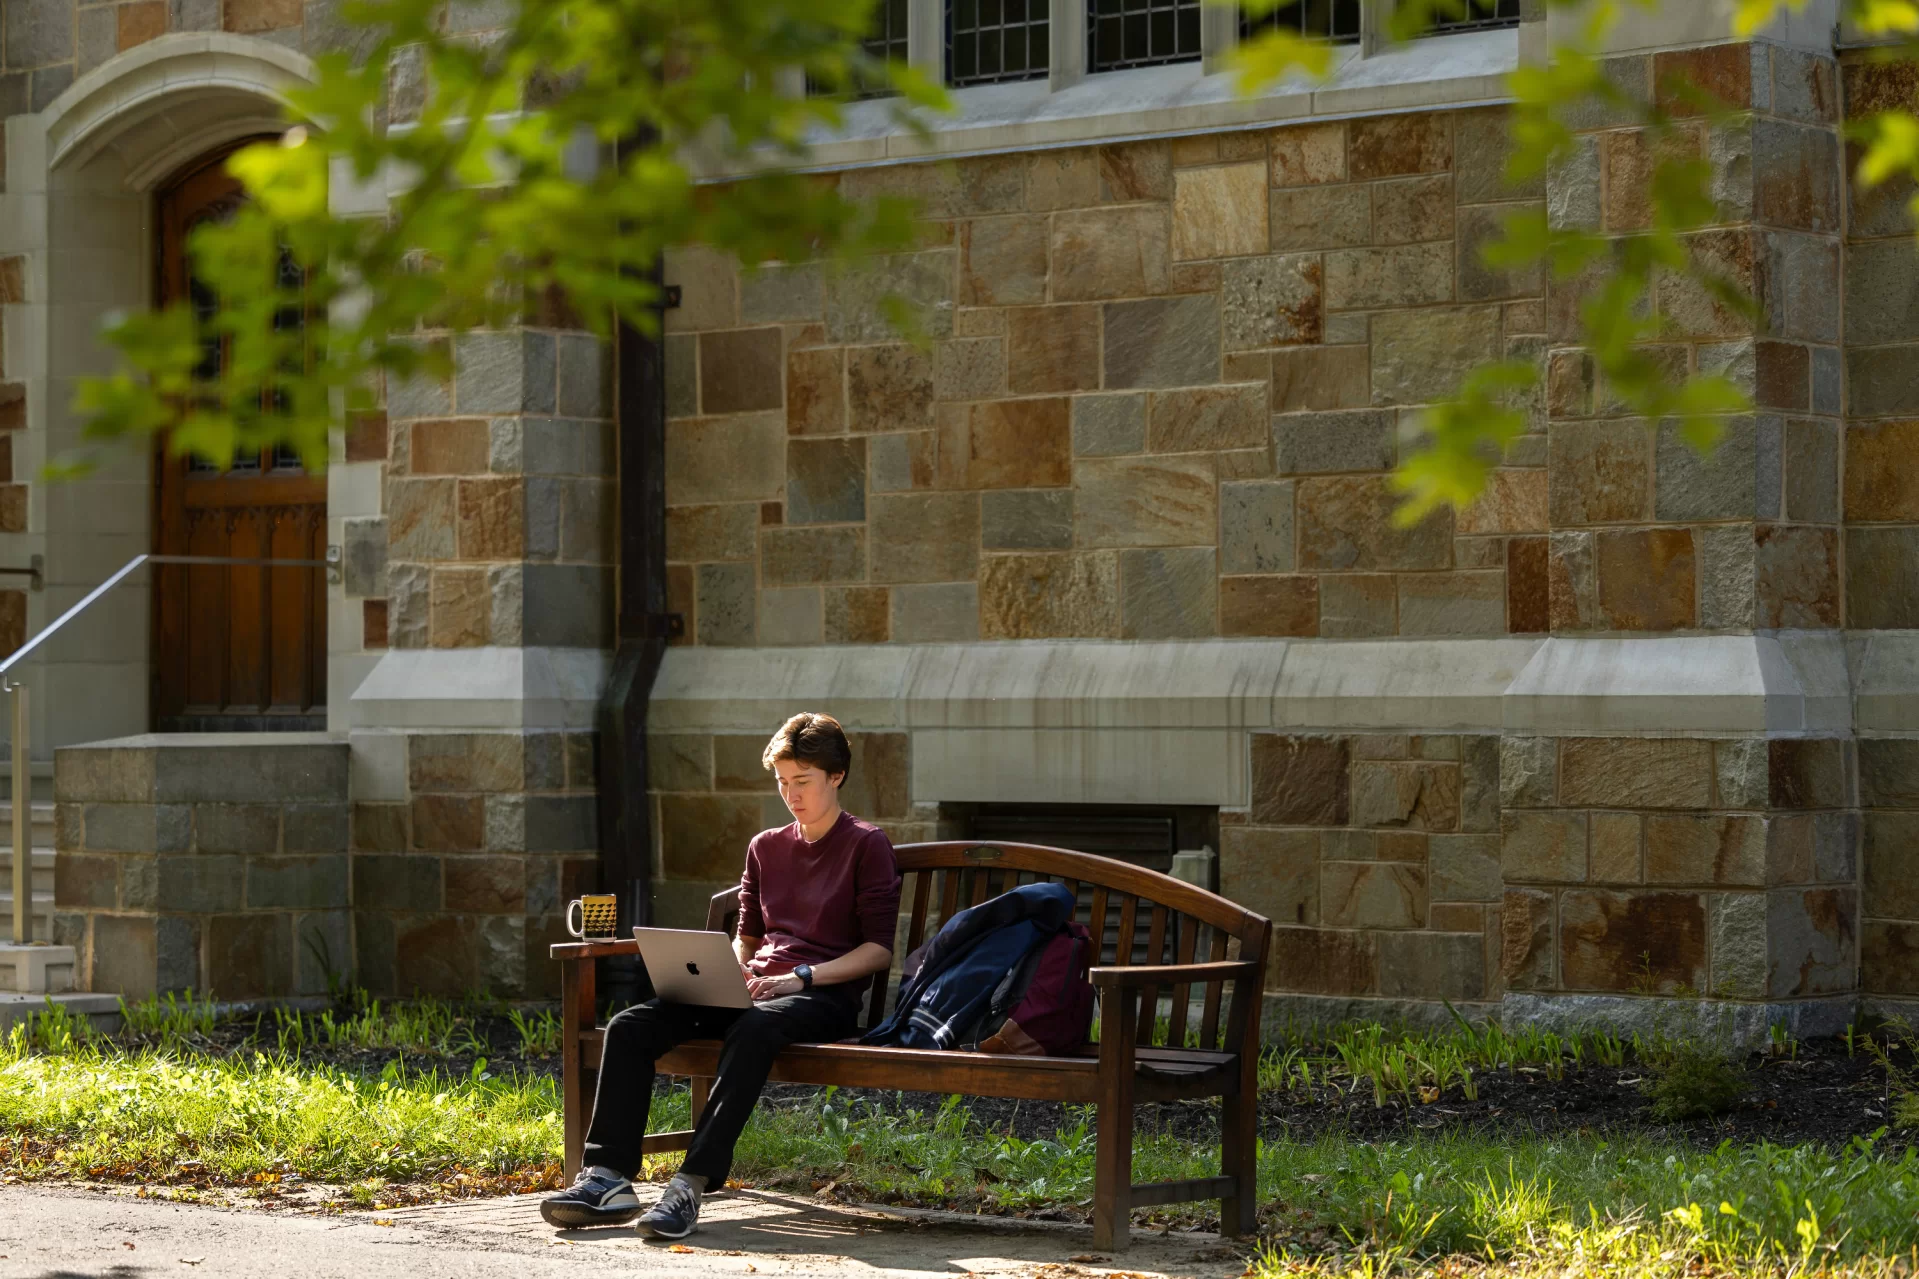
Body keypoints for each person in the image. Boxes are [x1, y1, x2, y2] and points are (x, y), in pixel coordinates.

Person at [540, 712, 901, 1239]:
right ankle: (608, 1177)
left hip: (819, 996)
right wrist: (728, 969)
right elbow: (747, 937)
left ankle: (689, 1183)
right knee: (630, 1026)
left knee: (752, 1029)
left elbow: (877, 952)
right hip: (752, 991)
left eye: (802, 782)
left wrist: (800, 976)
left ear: (836, 776)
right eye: (782, 783)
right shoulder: (765, 847)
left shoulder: (866, 844)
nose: (791, 794)